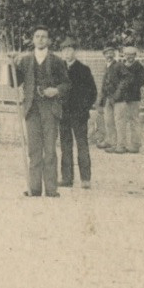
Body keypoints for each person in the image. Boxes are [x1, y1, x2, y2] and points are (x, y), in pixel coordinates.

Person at [16, 27, 69, 197]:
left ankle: (52, 189)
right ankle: (35, 188)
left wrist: (56, 90)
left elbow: (67, 84)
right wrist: (9, 65)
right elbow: (13, 82)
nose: (40, 39)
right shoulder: (25, 61)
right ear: (33, 39)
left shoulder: (57, 61)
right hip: (31, 109)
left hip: (50, 109)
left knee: (50, 150)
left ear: (48, 40)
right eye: (37, 36)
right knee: (34, 150)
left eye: (43, 37)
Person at [58, 40, 97, 189]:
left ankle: (85, 179)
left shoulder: (83, 69)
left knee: (82, 145)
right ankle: (67, 178)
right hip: (63, 114)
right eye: (64, 50)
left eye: (70, 50)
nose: (67, 53)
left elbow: (92, 92)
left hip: (79, 114)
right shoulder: (59, 69)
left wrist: (83, 108)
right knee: (65, 146)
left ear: (75, 51)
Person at [111, 46, 144, 153]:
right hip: (121, 98)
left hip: (134, 97)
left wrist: (128, 86)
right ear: (124, 55)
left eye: (132, 55)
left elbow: (140, 82)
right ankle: (121, 145)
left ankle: (135, 145)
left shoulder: (139, 67)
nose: (129, 57)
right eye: (127, 54)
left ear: (135, 55)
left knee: (134, 120)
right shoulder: (120, 66)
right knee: (120, 121)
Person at [94, 46, 120, 150]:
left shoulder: (118, 66)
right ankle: (110, 141)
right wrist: (101, 99)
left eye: (111, 53)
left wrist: (117, 93)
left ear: (114, 54)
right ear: (104, 55)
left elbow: (124, 80)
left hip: (115, 98)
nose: (109, 55)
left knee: (115, 121)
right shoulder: (106, 66)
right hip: (107, 97)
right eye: (107, 53)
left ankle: (115, 143)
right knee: (108, 120)